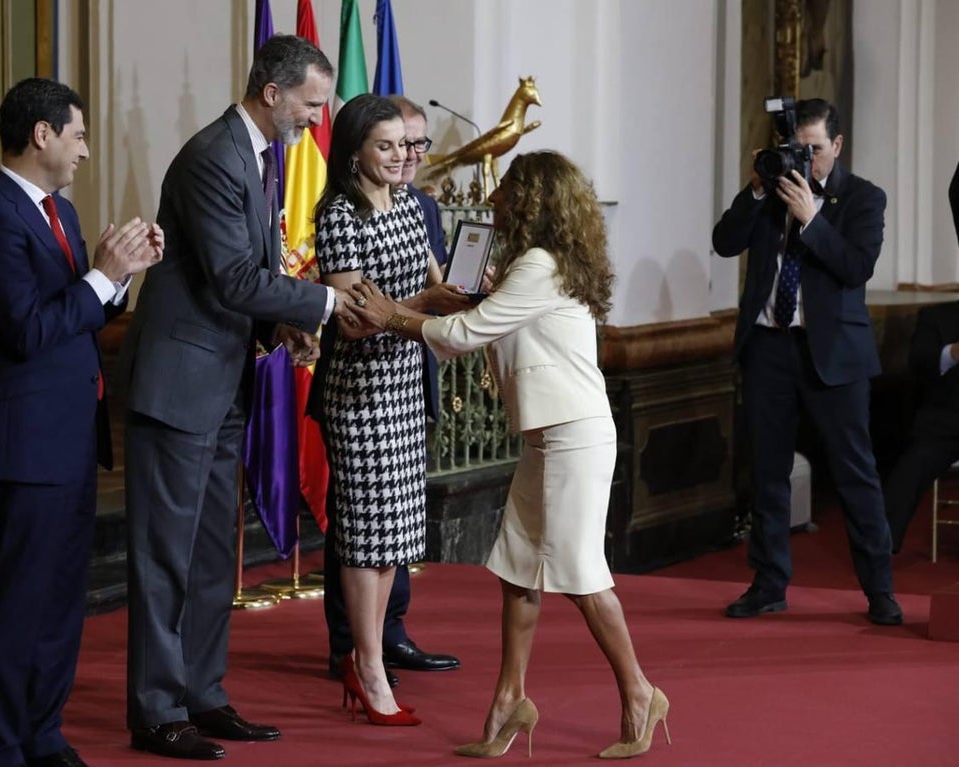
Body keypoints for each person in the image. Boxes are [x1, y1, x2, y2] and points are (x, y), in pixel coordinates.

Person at [348, 150, 668, 759]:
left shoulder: (540, 266)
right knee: (518, 569)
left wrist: (391, 315)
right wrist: (471, 305)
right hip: (550, 435)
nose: (493, 198)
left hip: (573, 435)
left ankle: (640, 692)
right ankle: (508, 701)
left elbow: (464, 337)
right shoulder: (537, 265)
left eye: (506, 190)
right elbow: (487, 330)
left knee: (580, 574)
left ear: (530, 200)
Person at [119, 34, 356, 760]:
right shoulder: (213, 156)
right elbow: (232, 278)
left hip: (223, 384)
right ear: (271, 91)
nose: (317, 120)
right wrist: (327, 302)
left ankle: (202, 693)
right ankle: (156, 711)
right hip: (178, 388)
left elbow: (239, 278)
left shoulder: (259, 153)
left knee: (214, 555)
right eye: (311, 104)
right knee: (166, 556)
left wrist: (282, 326)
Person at [0, 77, 162, 767]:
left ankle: (43, 733)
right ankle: (0, 746)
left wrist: (123, 274)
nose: (84, 150)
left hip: (73, 436)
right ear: (41, 134)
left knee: (62, 600)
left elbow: (82, 315)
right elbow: (25, 331)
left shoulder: (61, 213)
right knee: (20, 602)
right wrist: (101, 277)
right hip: (26, 443)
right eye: (78, 135)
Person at [712, 98, 902, 625]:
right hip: (768, 346)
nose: (805, 159)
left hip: (834, 355)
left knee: (856, 473)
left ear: (836, 145)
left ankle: (880, 590)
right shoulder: (770, 190)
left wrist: (812, 220)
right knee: (767, 471)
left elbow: (856, 267)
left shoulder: (864, 197)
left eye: (814, 149)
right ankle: (768, 583)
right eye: (797, 148)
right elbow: (724, 242)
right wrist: (757, 188)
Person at [312, 93, 470, 725]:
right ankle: (367, 664)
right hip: (358, 391)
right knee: (362, 535)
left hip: (405, 382)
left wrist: (464, 293)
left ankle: (368, 656)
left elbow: (435, 284)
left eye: (405, 145)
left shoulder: (408, 204)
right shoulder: (338, 215)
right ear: (354, 152)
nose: (402, 155)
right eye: (386, 146)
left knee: (391, 539)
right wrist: (426, 303)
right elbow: (351, 322)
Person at [883, 161, 959, 552]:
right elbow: (920, 362)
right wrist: (955, 352)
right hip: (947, 424)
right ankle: (880, 548)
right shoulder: (940, 313)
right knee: (911, 467)